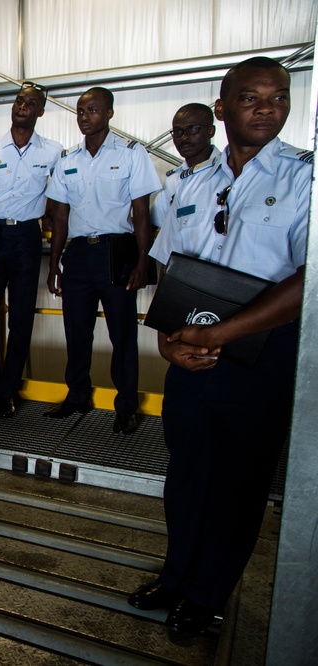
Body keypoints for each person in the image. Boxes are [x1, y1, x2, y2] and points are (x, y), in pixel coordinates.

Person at [128, 57, 311, 638]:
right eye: (251, 97)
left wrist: (220, 335)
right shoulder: (191, 185)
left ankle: (208, 596)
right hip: (191, 357)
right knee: (186, 474)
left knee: (238, 482)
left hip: (261, 360)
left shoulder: (304, 178)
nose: (267, 107)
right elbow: (167, 268)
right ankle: (178, 574)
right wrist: (167, 341)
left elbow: (308, 282)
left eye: (278, 97)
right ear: (221, 108)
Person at [44, 86, 161, 434]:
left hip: (117, 251)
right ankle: (77, 395)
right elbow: (60, 217)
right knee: (76, 332)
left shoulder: (130, 154)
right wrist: (54, 265)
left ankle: (126, 405)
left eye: (92, 110)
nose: (84, 117)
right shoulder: (67, 160)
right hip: (78, 255)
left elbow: (141, 212)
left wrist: (143, 261)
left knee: (122, 334)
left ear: (109, 113)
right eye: (80, 111)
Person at [0, 82, 63, 417]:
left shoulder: (52, 151)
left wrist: (48, 218)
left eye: (31, 103)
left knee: (20, 319)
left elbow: (60, 199)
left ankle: (8, 390)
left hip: (27, 241)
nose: (23, 106)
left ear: (40, 112)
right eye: (19, 100)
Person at [150, 103, 221, 228]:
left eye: (192, 129)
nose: (184, 137)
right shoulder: (173, 181)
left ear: (210, 131)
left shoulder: (228, 170)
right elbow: (158, 227)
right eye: (178, 131)